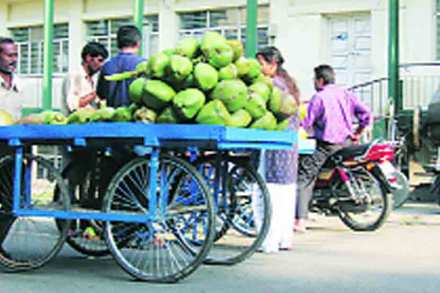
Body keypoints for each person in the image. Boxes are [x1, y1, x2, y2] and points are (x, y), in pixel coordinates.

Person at [294, 64, 372, 232]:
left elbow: (307, 123)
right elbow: (366, 114)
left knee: (304, 175)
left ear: (320, 80)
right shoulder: (346, 94)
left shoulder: (319, 97)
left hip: (327, 145)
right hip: (346, 142)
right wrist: (358, 132)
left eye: (314, 79)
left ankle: (300, 220)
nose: (314, 83)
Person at [254, 46, 300, 253]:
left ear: (273, 64)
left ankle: (268, 241)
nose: (258, 68)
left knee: (266, 193)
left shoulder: (272, 85)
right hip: (289, 144)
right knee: (285, 192)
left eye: (261, 63)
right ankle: (284, 239)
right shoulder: (289, 84)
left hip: (274, 144)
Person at [0, 37, 22, 257]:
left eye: (16, 55)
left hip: (10, 150)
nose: (14, 60)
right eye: (9, 55)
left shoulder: (17, 84)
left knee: (13, 200)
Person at [97, 25, 144, 107]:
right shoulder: (143, 65)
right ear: (138, 43)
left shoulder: (107, 66)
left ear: (117, 44)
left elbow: (101, 95)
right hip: (138, 117)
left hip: (113, 117)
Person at [61, 41, 108, 115]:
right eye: (100, 60)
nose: (101, 65)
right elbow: (73, 105)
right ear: (88, 58)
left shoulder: (91, 79)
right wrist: (95, 94)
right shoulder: (74, 76)